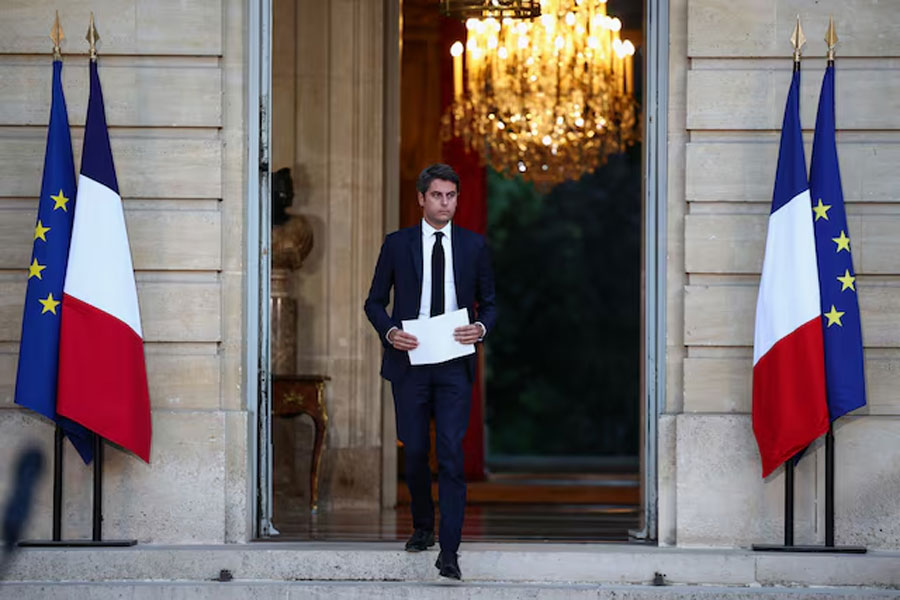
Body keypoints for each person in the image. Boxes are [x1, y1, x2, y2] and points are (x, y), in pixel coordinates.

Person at [364, 163, 497, 580]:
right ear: (421, 198)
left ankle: (450, 551)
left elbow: (491, 304)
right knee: (417, 450)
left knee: (453, 454)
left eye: (451, 196)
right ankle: (423, 526)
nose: (445, 203)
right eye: (437, 195)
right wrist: (389, 333)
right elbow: (373, 302)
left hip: (455, 362)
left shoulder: (474, 246)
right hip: (410, 363)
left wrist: (481, 327)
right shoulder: (397, 244)